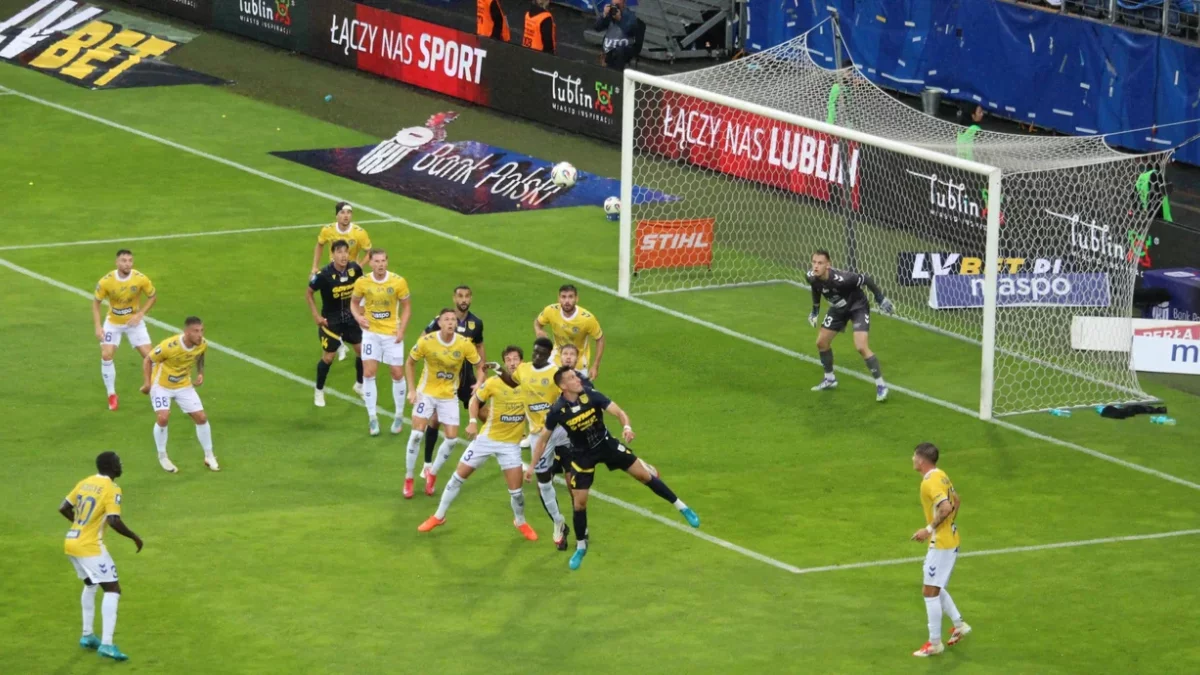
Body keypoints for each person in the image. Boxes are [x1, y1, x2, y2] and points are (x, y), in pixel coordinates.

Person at [531, 368, 699, 570]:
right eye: (572, 378)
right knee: (579, 503)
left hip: (606, 445)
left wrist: (626, 427)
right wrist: (532, 466)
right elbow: (542, 440)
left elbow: (618, 412)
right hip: (583, 456)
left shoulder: (591, 395)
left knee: (644, 475)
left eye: (576, 376)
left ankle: (683, 507)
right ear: (563, 386)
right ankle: (581, 547)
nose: (577, 380)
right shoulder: (557, 410)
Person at [418, 346, 539, 541]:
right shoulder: (493, 383)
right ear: (505, 363)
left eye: (515, 359)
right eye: (508, 359)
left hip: (510, 445)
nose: (512, 363)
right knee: (457, 477)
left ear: (522, 362)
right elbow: (474, 401)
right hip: (486, 440)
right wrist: (473, 422)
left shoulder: (529, 384)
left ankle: (520, 521)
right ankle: (438, 516)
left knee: (516, 492)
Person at [60, 451, 143, 662]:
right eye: (118, 462)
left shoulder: (86, 482)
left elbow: (64, 507)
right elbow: (114, 520)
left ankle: (87, 635)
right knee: (113, 589)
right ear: (111, 466)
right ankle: (107, 644)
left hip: (71, 541)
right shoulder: (112, 488)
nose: (121, 464)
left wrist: (80, 524)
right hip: (90, 547)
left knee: (90, 584)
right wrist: (134, 537)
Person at [404, 309, 484, 498]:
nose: (450, 322)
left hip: (448, 395)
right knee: (416, 435)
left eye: (453, 320)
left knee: (452, 440)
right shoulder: (427, 341)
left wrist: (479, 383)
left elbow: (480, 365)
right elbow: (410, 362)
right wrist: (412, 390)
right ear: (439, 323)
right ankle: (409, 478)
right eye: (446, 319)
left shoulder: (464, 344)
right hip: (427, 393)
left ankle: (432, 474)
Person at [806, 250, 895, 401]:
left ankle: (881, 386)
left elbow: (866, 279)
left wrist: (880, 299)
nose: (815, 266)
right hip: (838, 308)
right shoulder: (811, 276)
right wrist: (815, 311)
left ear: (828, 265)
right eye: (814, 262)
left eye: (820, 263)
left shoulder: (843, 279)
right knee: (821, 343)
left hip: (857, 307)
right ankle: (829, 378)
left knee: (861, 346)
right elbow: (816, 288)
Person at [909, 442, 971, 657]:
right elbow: (956, 501)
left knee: (929, 592)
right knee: (935, 586)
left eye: (914, 457)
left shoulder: (929, 482)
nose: (912, 460)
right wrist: (949, 524)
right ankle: (959, 625)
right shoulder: (941, 475)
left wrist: (928, 529)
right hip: (949, 539)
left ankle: (934, 643)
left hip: (942, 544)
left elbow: (946, 507)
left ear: (921, 460)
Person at [420, 286, 486, 479]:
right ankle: (427, 463)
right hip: (444, 380)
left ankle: (506, 440)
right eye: (460, 296)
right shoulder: (441, 320)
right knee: (434, 420)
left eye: (467, 296)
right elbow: (423, 340)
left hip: (466, 378)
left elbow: (480, 347)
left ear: (471, 298)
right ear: (454, 298)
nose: (463, 300)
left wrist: (482, 376)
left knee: (483, 411)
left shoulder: (476, 323)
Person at [514, 337, 570, 549]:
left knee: (577, 474)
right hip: (539, 435)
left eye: (541, 353)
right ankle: (558, 521)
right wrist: (498, 371)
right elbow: (512, 381)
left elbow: (570, 394)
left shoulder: (555, 373)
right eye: (534, 352)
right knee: (543, 481)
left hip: (560, 429)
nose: (536, 356)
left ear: (548, 354)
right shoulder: (523, 369)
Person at [141, 316, 217, 473]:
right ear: (187, 332)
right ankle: (163, 456)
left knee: (201, 418)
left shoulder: (202, 344)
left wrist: (200, 373)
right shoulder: (169, 346)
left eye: (202, 330)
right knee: (163, 418)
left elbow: (200, 355)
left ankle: (209, 456)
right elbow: (148, 360)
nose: (200, 335)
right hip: (161, 386)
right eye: (196, 331)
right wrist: (147, 383)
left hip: (183, 385)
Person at [350, 248, 412, 437]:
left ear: (387, 261)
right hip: (371, 334)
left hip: (392, 333)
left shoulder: (398, 282)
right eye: (376, 261)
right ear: (370, 263)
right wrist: (358, 318)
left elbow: (407, 307)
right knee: (369, 373)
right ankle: (372, 418)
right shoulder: (362, 282)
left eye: (383, 261)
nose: (380, 264)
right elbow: (354, 303)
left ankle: (399, 415)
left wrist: (401, 330)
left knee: (397, 373)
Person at [92, 249, 157, 411]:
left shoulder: (140, 278)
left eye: (130, 260)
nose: (127, 264)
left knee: (151, 357)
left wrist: (140, 314)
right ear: (117, 263)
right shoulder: (106, 281)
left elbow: (153, 296)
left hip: (134, 324)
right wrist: (98, 326)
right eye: (124, 261)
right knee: (106, 355)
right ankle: (111, 394)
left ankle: (157, 389)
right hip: (113, 324)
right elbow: (96, 303)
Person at [305, 240, 365, 407]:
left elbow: (363, 288)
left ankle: (360, 385)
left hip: (350, 318)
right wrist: (316, 316)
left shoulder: (355, 269)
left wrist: (362, 308)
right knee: (328, 358)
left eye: (346, 252)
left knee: (362, 351)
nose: (343, 255)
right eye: (339, 252)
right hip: (331, 320)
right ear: (332, 255)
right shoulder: (324, 274)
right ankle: (319, 390)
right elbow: (309, 293)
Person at [311, 202, 372, 361]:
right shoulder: (328, 230)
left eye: (349, 213)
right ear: (337, 215)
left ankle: (356, 340)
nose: (346, 216)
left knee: (358, 308)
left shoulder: (359, 233)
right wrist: (314, 267)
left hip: (353, 275)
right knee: (336, 308)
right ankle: (337, 340)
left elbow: (369, 252)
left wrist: (359, 266)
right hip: (334, 274)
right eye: (343, 213)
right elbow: (320, 245)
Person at [534, 284, 605, 380]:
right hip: (557, 357)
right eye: (563, 297)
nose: (567, 301)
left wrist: (596, 365)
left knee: (576, 388)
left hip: (578, 362)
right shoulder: (550, 311)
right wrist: (538, 331)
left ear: (576, 299)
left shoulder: (587, 319)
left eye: (570, 297)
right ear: (559, 299)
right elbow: (538, 322)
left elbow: (600, 338)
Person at [595, 0, 637, 70]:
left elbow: (630, 30)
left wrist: (620, 19)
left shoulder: (630, 16)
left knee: (619, 51)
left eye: (617, 5)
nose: (615, 7)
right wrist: (604, 15)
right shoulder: (610, 14)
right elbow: (597, 28)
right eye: (613, 4)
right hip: (608, 49)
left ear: (624, 3)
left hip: (623, 51)